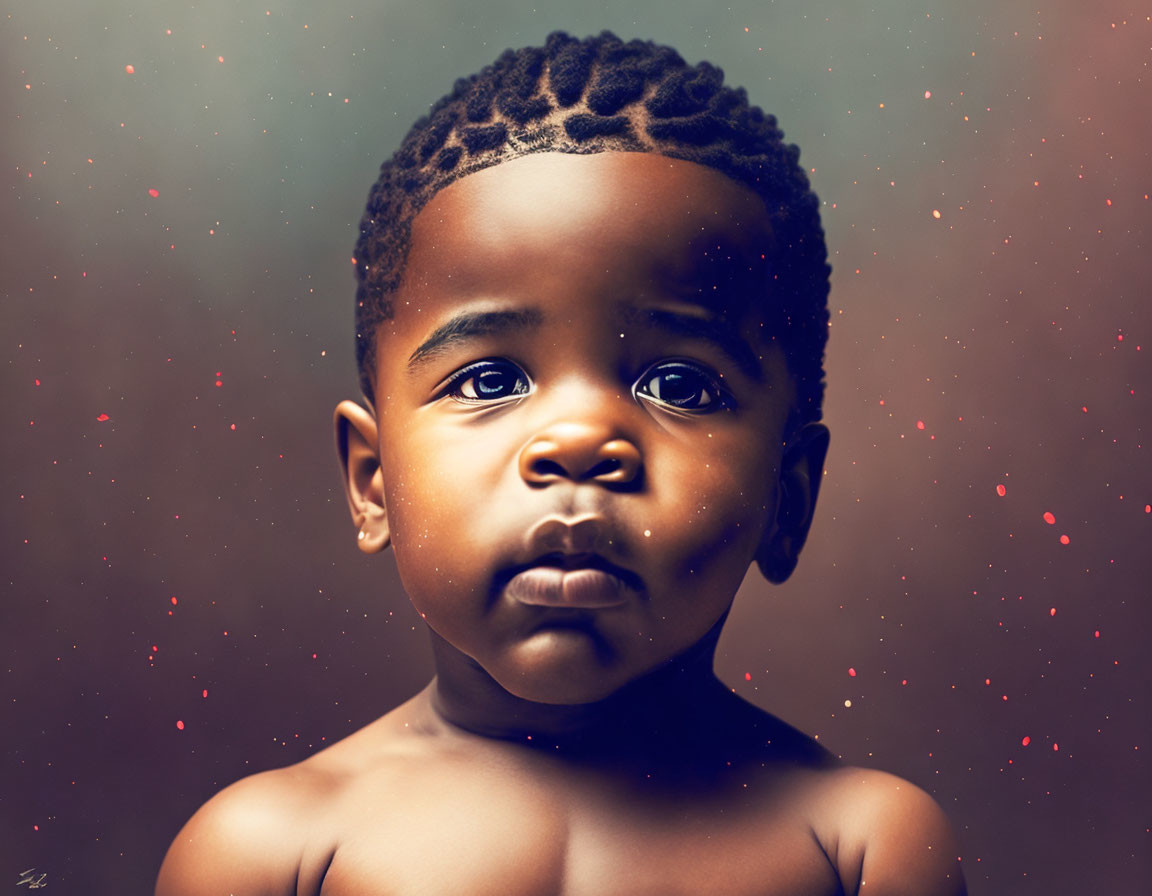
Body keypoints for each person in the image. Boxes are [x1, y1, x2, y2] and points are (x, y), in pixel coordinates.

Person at [155, 30, 966, 896]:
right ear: (371, 479)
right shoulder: (270, 852)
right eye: (491, 379)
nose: (578, 441)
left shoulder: (860, 847)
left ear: (788, 498)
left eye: (681, 385)